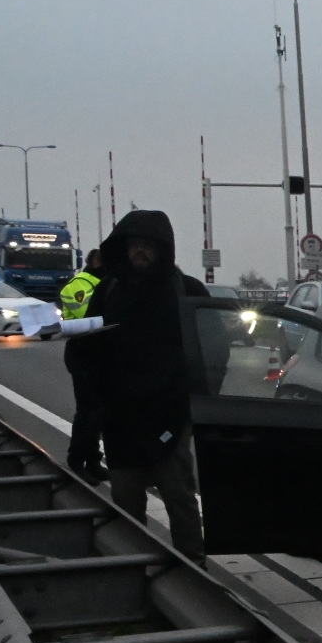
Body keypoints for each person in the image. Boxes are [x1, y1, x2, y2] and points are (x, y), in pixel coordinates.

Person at [87, 210, 209, 561]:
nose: (140, 252)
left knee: (180, 497)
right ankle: (131, 568)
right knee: (126, 501)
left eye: (147, 246)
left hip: (170, 414)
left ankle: (192, 567)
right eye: (134, 245)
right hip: (121, 418)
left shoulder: (187, 291)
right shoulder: (108, 290)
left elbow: (215, 347)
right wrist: (93, 405)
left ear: (162, 249)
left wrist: (193, 398)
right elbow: (87, 347)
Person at [60, 247, 106, 480]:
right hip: (83, 354)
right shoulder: (81, 284)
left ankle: (93, 461)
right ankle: (77, 461)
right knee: (88, 412)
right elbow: (87, 318)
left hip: (99, 355)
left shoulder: (102, 282)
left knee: (98, 414)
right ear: (97, 262)